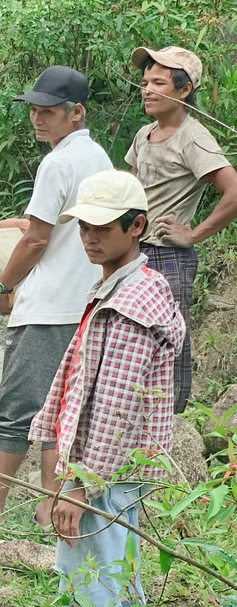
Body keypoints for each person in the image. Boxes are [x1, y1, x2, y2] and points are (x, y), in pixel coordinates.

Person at [27, 170, 183, 607]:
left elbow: (114, 404)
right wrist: (50, 444)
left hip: (105, 476)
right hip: (107, 474)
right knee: (118, 590)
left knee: (92, 593)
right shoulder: (117, 287)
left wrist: (78, 486)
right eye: (84, 226)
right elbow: (75, 384)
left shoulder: (135, 299)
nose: (90, 237)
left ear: (136, 226)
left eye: (102, 227)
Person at [0, 67, 112, 528]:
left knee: (18, 409)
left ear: (76, 112)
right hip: (84, 303)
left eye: (48, 112)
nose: (37, 120)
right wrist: (21, 223)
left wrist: (2, 289)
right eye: (34, 111)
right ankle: (50, 509)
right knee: (61, 411)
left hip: (46, 309)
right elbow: (55, 227)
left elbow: (38, 242)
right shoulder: (97, 158)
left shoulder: (57, 162)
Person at [125, 45, 237, 414]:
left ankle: (171, 422)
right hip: (135, 254)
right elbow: (131, 184)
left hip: (169, 256)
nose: (147, 90)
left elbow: (233, 191)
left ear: (184, 89)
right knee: (132, 336)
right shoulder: (144, 134)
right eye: (144, 82)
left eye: (158, 82)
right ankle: (133, 414)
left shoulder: (193, 137)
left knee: (169, 339)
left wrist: (192, 234)